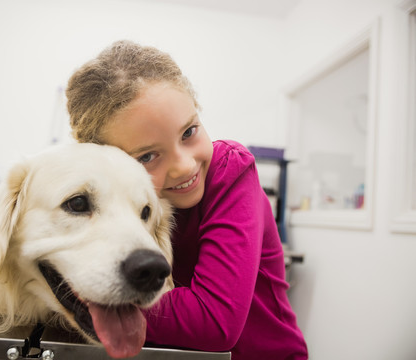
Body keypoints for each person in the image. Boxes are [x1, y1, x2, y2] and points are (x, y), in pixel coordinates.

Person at [66, 40, 308, 359]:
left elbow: (213, 320)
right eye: (148, 156)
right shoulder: (109, 204)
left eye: (188, 132)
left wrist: (81, 300)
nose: (183, 165)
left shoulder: (229, 171)